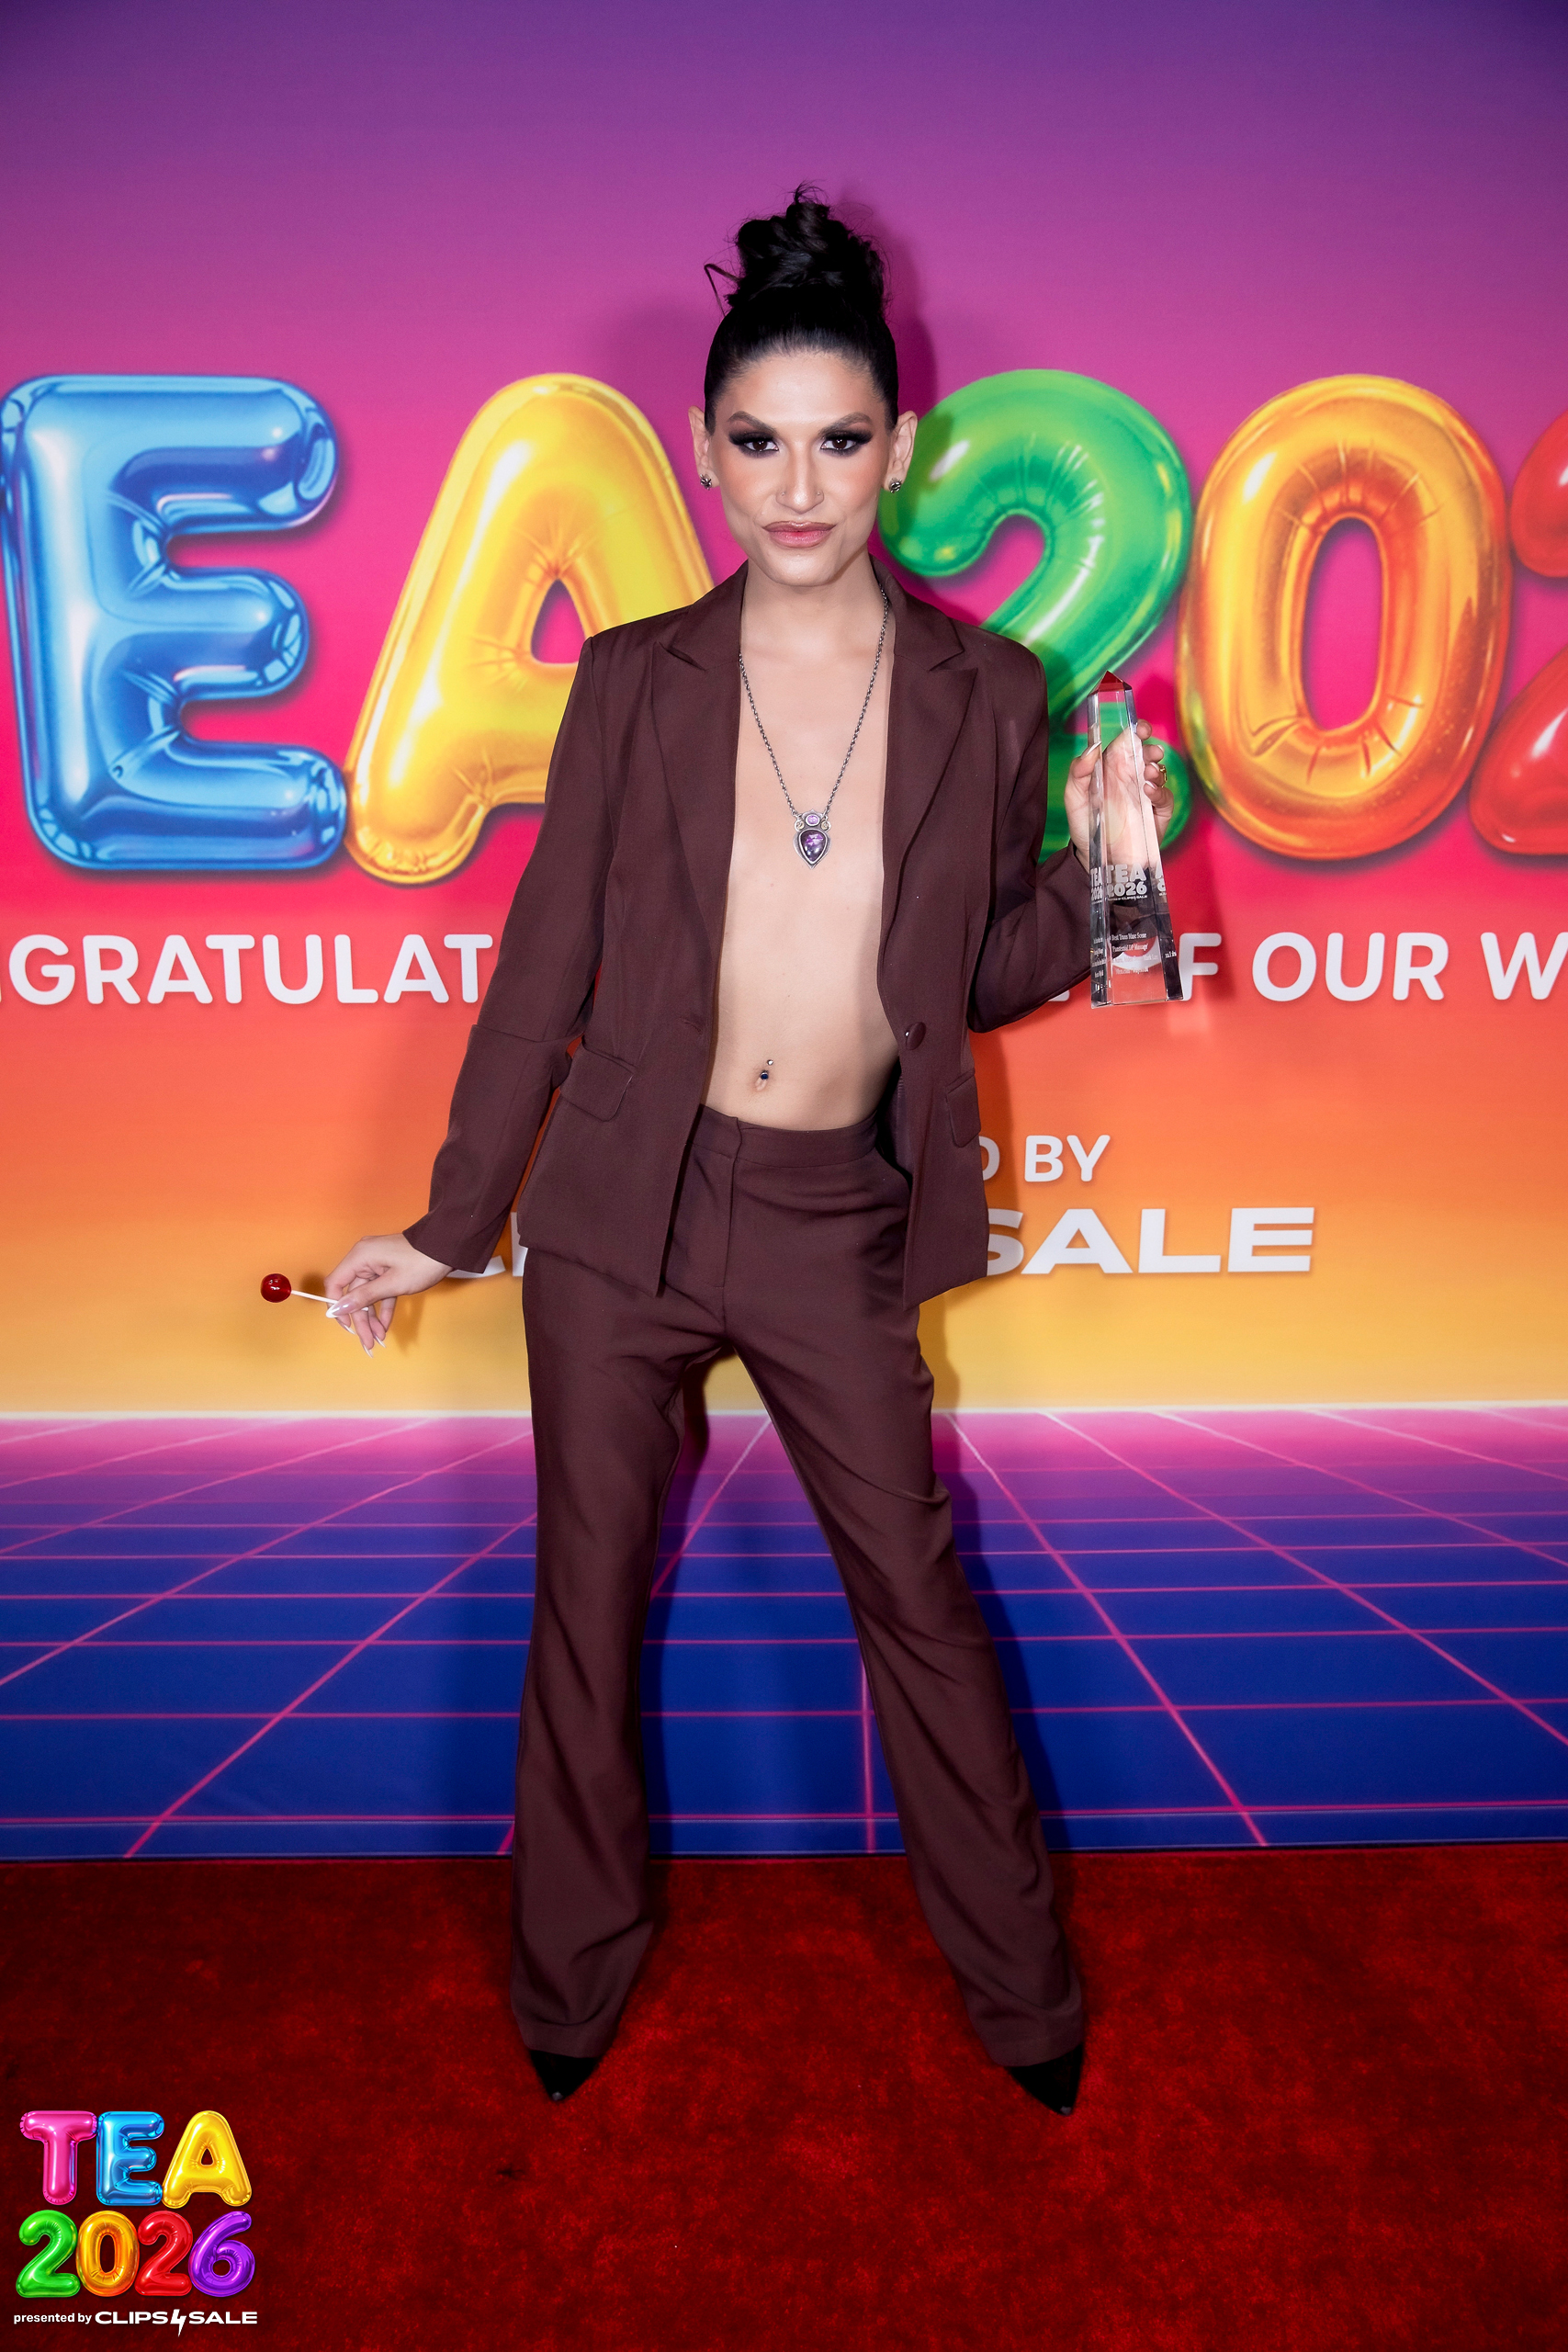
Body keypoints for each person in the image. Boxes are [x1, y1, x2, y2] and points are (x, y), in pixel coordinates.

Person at [326, 189, 1171, 2113]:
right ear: (704, 450)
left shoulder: (989, 692)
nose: (799, 487)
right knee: (581, 1604)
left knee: (920, 1608)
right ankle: (569, 1983)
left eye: (839, 441)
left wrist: (1104, 869)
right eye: (759, 442)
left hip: (830, 1212)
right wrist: (451, 1222)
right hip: (623, 1208)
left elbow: (972, 971)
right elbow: (542, 963)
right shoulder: (634, 678)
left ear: (902, 446)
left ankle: (1024, 2003)